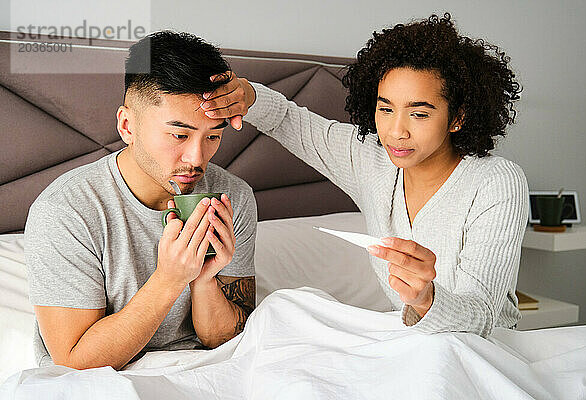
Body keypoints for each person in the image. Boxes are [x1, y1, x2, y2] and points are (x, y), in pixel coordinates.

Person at [200, 13, 528, 337]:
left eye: (419, 113)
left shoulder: (496, 182)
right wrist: (244, 95)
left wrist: (426, 300)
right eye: (385, 109)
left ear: (457, 117)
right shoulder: (369, 160)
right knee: (287, 312)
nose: (396, 131)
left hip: (488, 347)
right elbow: (287, 119)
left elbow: (483, 314)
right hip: (408, 341)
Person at [24, 31, 257, 370]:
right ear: (127, 125)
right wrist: (171, 278)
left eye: (213, 136)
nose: (197, 158)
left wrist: (204, 279)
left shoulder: (231, 196)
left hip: (208, 371)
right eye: (179, 135)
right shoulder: (67, 210)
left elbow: (224, 341)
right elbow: (75, 362)